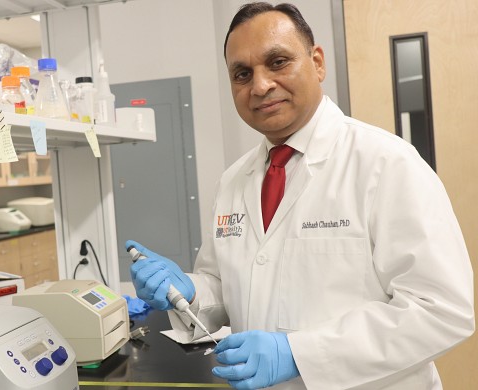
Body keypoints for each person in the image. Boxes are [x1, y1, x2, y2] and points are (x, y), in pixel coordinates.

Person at [127, 2, 474, 389]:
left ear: (318, 63)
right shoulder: (233, 181)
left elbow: (441, 311)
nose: (260, 86)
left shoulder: (385, 163)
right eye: (242, 74)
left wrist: (300, 354)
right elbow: (226, 287)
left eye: (277, 62)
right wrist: (188, 291)